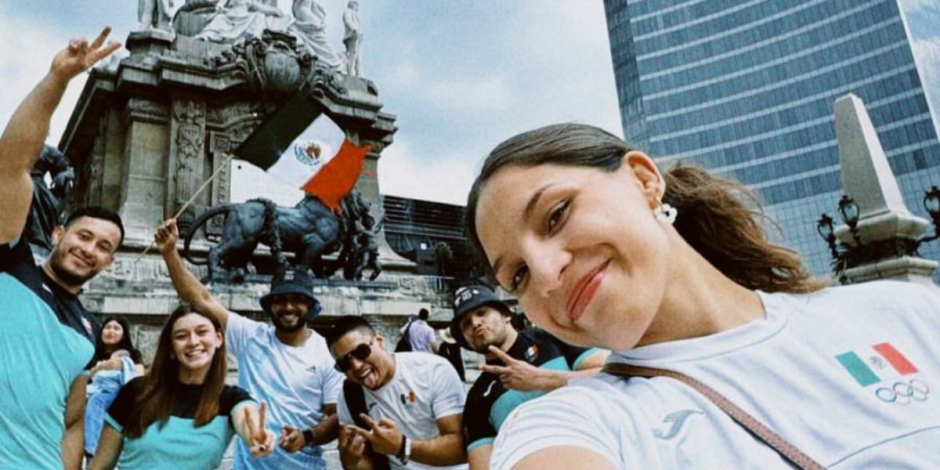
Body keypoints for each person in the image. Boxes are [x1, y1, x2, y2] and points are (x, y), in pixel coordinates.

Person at [464, 123, 940, 470]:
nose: (547, 276)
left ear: (643, 181)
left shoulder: (905, 312)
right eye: (519, 275)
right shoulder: (568, 423)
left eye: (556, 214)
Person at [0, 27, 122, 470]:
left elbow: (72, 421)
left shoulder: (90, 328)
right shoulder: (10, 262)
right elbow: (13, 163)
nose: (90, 249)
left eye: (104, 246)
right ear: (57, 234)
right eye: (84, 236)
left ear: (109, 263)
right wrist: (58, 80)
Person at [155, 218, 343, 470]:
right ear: (270, 305)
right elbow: (200, 298)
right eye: (281, 300)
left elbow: (334, 415)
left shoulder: (326, 353)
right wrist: (170, 253)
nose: (288, 307)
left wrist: (306, 437)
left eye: (297, 299)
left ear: (309, 306)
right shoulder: (251, 336)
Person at [89, 305, 274, 469]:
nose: (193, 342)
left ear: (218, 339)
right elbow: (100, 465)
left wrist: (256, 434)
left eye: (202, 332)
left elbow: (246, 417)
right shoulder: (136, 391)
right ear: (170, 347)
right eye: (181, 336)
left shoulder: (231, 399)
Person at [449, 284, 607, 470]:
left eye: (482, 313)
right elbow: (482, 463)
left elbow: (613, 375)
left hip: (600, 452)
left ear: (505, 315)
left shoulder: (550, 337)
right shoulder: (477, 398)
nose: (475, 323)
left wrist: (542, 380)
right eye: (466, 323)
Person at [327, 315, 468, 470]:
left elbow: (461, 448)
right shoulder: (350, 396)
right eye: (344, 363)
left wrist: (403, 447)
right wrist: (351, 459)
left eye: (361, 351)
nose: (356, 365)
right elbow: (361, 462)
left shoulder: (432, 370)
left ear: (380, 341)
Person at [85, 317, 146, 460]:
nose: (111, 331)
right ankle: (91, 450)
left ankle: (93, 450)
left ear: (123, 334)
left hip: (120, 395)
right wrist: (103, 366)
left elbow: (138, 377)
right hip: (95, 393)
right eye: (107, 327)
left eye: (116, 328)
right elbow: (83, 379)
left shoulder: (132, 354)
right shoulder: (92, 353)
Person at [343, 0, 362, 76]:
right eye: (356, 5)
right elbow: (348, 21)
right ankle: (351, 72)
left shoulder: (354, 14)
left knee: (358, 56)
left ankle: (359, 72)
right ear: (353, 5)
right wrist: (354, 29)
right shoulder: (348, 12)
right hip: (352, 36)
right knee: (353, 54)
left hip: (357, 36)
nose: (358, 8)